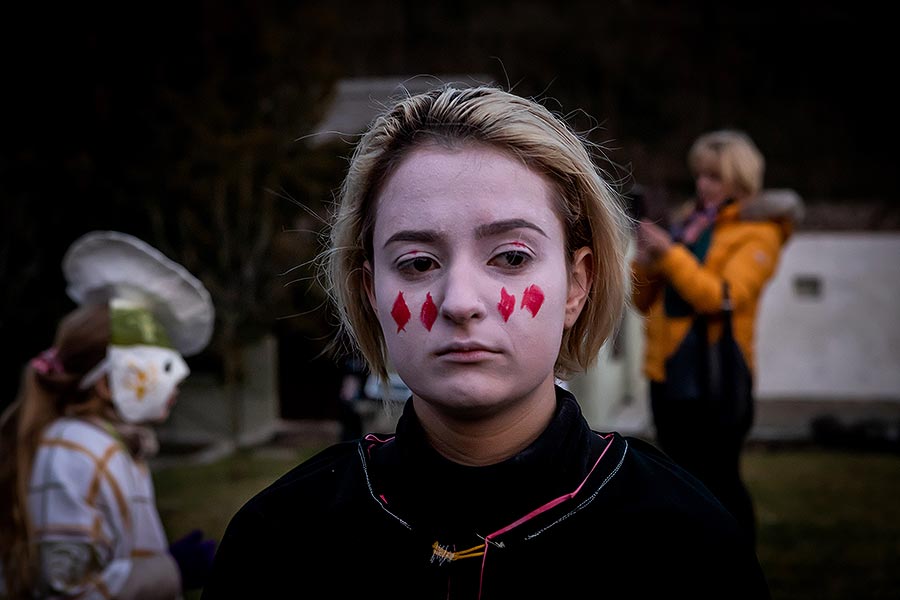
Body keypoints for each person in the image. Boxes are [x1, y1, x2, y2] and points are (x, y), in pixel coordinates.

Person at [202, 85, 770, 598]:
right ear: (370, 288)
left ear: (578, 284)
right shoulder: (279, 541)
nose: (460, 302)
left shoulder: (688, 543)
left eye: (511, 257)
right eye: (419, 262)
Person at [0, 231, 218, 599]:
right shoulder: (74, 451)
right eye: (161, 366)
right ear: (105, 383)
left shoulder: (103, 444)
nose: (177, 379)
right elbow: (65, 590)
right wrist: (170, 572)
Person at [631, 129, 803, 542]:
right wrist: (646, 260)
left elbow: (721, 298)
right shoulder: (691, 223)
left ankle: (737, 563)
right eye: (700, 175)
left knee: (721, 479)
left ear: (739, 179)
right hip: (668, 372)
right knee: (680, 479)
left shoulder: (760, 232)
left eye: (714, 176)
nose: (703, 185)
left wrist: (670, 255)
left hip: (718, 376)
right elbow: (641, 301)